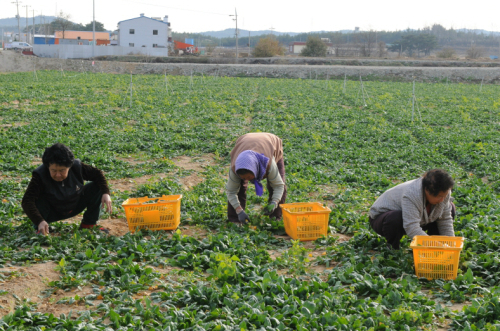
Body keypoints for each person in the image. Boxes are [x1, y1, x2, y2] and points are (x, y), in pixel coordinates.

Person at [22, 143, 112, 235]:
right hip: (51, 211)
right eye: (53, 170)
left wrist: (106, 193)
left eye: (62, 170)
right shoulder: (40, 175)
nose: (58, 175)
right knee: (36, 198)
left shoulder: (77, 167)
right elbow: (27, 201)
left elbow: (98, 174)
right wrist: (39, 220)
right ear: (48, 166)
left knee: (97, 186)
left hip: (73, 205)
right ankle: (41, 228)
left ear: (69, 166)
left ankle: (88, 224)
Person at [369, 169, 456, 249]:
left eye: (444, 196)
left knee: (450, 207)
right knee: (396, 217)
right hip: (381, 219)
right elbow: (411, 227)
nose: (442, 200)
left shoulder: (444, 192)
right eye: (440, 196)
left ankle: (433, 247)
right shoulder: (412, 194)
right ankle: (393, 247)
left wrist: (451, 245)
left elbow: (445, 220)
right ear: (427, 190)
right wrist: (434, 244)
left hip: (418, 218)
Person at [226, 132, 286, 224]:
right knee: (239, 188)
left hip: (271, 144)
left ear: (255, 170)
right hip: (244, 142)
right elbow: (231, 191)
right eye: (244, 177)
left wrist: (274, 202)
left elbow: (278, 186)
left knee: (276, 185)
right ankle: (236, 219)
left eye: (249, 177)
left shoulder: (269, 163)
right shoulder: (235, 167)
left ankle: (274, 218)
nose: (248, 180)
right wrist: (239, 211)